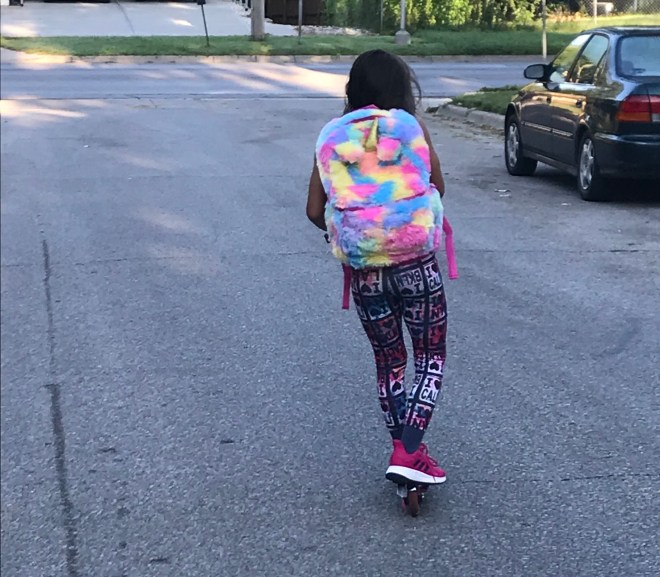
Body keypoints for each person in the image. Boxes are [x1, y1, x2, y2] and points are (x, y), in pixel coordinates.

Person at [306, 49, 457, 487]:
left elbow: (314, 210)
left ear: (351, 90)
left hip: (367, 275)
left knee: (389, 363)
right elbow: (437, 187)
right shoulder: (411, 129)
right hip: (417, 267)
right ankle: (408, 449)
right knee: (429, 359)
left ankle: (406, 451)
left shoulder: (332, 137)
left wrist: (354, 230)